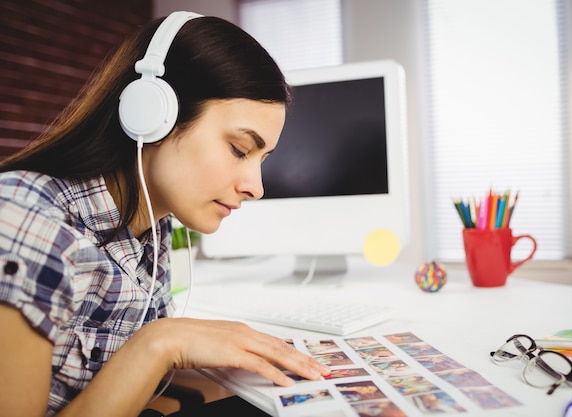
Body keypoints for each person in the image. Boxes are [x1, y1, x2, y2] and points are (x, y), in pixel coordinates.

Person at [0, 12, 329, 417]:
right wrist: (161, 343)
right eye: (240, 150)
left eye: (261, 159)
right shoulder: (26, 221)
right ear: (153, 116)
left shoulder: (153, 228)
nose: (256, 187)